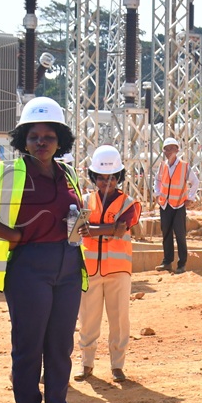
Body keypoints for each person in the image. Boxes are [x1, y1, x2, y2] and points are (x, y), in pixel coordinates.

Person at [0, 97, 86, 403]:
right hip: (28, 269)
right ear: (23, 140)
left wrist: (82, 226)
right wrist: (14, 235)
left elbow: (75, 214)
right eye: (34, 136)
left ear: (60, 139)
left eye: (49, 136)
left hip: (67, 266)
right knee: (29, 347)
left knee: (61, 347)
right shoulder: (10, 172)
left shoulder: (69, 174)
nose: (42, 142)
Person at [74, 145, 142, 383]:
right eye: (102, 178)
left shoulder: (129, 203)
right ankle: (86, 364)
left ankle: (117, 365)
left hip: (118, 272)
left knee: (119, 320)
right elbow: (75, 232)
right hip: (90, 270)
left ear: (119, 177)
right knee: (87, 320)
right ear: (94, 177)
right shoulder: (84, 201)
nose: (107, 182)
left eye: (112, 177)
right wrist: (106, 230)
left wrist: (90, 230)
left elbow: (121, 228)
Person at [153, 136, 199, 274]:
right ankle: (167, 262)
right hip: (165, 204)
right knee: (166, 233)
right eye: (166, 149)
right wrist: (157, 193)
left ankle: (181, 264)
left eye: (171, 148)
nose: (169, 151)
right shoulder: (162, 165)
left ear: (177, 150)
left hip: (178, 205)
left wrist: (190, 197)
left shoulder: (184, 166)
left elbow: (195, 182)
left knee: (180, 234)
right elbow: (157, 180)